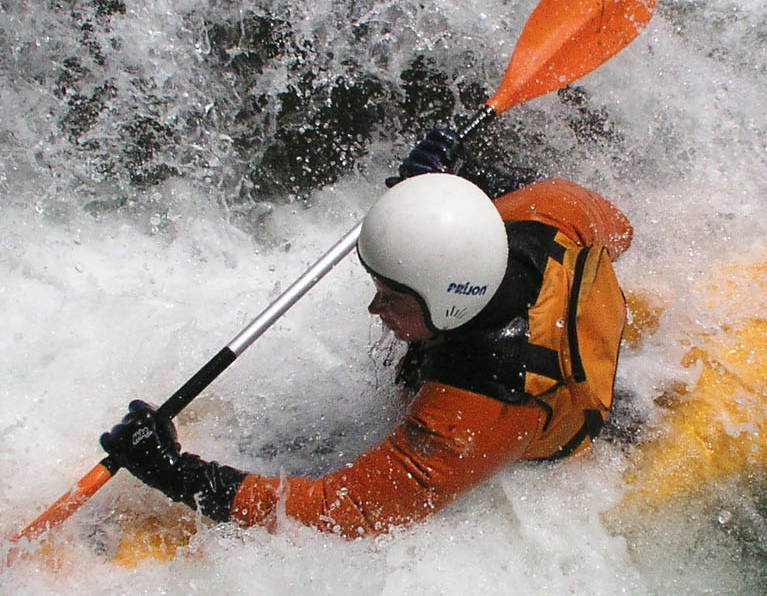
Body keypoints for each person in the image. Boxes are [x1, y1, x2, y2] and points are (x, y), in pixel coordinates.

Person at [99, 128, 633, 537]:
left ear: (450, 303)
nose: (374, 306)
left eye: (393, 297)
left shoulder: (478, 410)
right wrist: (433, 197)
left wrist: (173, 473)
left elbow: (346, 512)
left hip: (554, 438)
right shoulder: (548, 213)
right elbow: (616, 226)